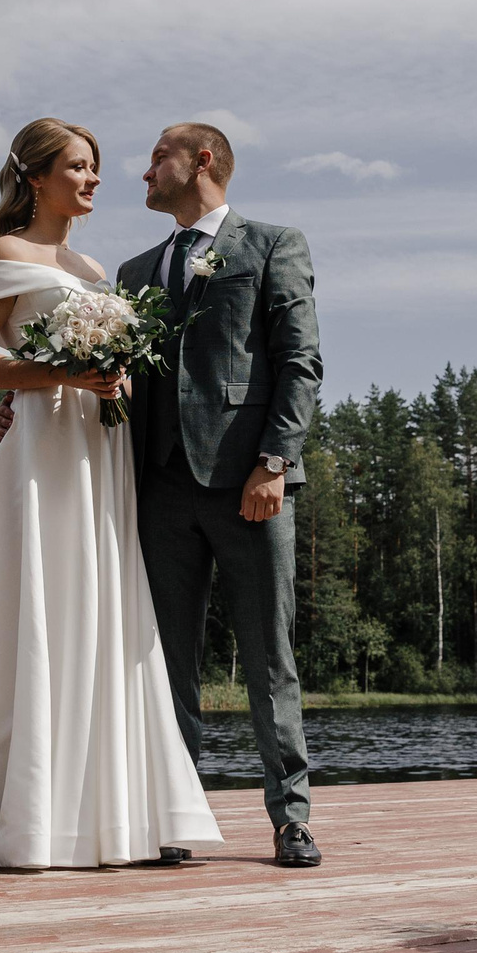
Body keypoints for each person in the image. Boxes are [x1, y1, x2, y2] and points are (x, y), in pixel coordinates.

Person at [0, 117, 223, 868]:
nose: (94, 178)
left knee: (97, 615)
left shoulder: (96, 269)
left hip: (101, 455)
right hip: (42, 455)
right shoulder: (5, 255)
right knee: (22, 611)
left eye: (95, 166)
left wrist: (115, 375)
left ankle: (97, 818)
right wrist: (58, 375)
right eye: (78, 166)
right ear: (36, 177)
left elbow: (111, 362)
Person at [120, 122, 323, 868]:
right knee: (165, 659)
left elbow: (300, 361)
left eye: (156, 158)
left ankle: (291, 818)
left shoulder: (272, 244)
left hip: (250, 484)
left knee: (269, 657)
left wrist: (274, 461)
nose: (144, 174)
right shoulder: (134, 269)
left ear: (201, 161)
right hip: (159, 487)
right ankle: (176, 815)